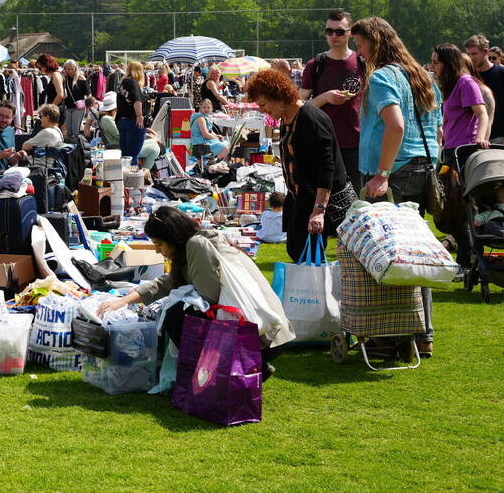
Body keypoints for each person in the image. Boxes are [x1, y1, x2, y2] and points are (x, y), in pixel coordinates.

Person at [96, 206, 294, 380]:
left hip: (263, 339)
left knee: (176, 314)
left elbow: (209, 298)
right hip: (261, 334)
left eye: (159, 245)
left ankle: (219, 371)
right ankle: (241, 367)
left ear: (172, 237)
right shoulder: (194, 244)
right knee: (174, 311)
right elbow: (168, 281)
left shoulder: (196, 245)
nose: (158, 251)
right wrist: (125, 300)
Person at [352, 17, 442, 358]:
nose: (359, 53)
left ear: (375, 42)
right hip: (422, 167)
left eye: (360, 45)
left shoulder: (384, 77)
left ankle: (389, 337)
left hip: (394, 172)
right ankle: (423, 335)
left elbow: (396, 125)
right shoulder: (422, 76)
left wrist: (383, 173)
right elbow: (436, 129)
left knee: (387, 256)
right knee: (417, 254)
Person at [248, 68, 355, 262]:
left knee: (308, 258)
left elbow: (326, 168)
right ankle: (309, 291)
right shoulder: (287, 118)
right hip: (300, 197)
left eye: (263, 104)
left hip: (317, 200)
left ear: (278, 95)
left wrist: (318, 211)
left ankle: (315, 292)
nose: (262, 110)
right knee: (298, 251)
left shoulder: (310, 119)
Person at [431, 43, 490, 275]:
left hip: (464, 152)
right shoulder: (450, 86)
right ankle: (466, 260)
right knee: (449, 210)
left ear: (448, 62)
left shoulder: (466, 83)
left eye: (436, 62)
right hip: (449, 151)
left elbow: (482, 113)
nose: (433, 66)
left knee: (462, 210)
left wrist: (480, 139)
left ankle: (466, 262)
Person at [298, 10, 365, 191]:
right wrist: (325, 97)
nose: (334, 36)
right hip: (323, 143)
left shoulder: (362, 62)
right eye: (329, 31)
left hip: (356, 145)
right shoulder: (316, 65)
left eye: (340, 31)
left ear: (350, 32)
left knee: (356, 203)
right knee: (325, 201)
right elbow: (298, 106)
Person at [465, 34, 504, 145]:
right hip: (472, 139)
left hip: (499, 138)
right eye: (468, 54)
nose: (471, 58)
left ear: (486, 52)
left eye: (474, 54)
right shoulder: (467, 76)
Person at [116, 60, 147, 163]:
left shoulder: (123, 83)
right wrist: (139, 115)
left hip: (122, 121)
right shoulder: (132, 82)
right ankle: (132, 178)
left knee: (125, 156)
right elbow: (136, 100)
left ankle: (124, 177)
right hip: (133, 121)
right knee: (133, 156)